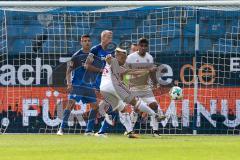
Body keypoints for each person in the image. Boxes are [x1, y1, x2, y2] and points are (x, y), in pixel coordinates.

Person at [98, 47, 165, 138]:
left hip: (104, 89)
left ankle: (129, 132)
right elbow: (110, 59)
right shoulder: (113, 60)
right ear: (117, 56)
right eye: (123, 58)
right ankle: (155, 115)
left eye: (125, 58)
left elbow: (131, 72)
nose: (124, 60)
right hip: (113, 86)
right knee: (136, 102)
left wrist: (148, 71)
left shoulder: (117, 66)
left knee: (123, 109)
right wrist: (109, 57)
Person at [57, 34, 98, 135]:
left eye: (88, 40)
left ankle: (89, 130)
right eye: (84, 41)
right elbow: (68, 70)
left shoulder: (93, 55)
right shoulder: (76, 55)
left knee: (95, 107)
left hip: (89, 85)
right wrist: (69, 83)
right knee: (70, 104)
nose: (87, 42)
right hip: (77, 85)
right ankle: (61, 129)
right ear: (81, 42)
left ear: (91, 42)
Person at [125, 38, 164, 137]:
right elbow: (125, 72)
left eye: (145, 46)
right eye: (141, 46)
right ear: (138, 46)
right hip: (134, 88)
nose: (143, 47)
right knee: (137, 109)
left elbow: (151, 73)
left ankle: (155, 131)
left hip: (146, 88)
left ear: (147, 47)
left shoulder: (149, 58)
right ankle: (129, 130)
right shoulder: (130, 58)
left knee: (155, 106)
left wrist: (155, 83)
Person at [84, 30, 117, 136]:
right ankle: (91, 131)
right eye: (108, 37)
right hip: (96, 83)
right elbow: (87, 65)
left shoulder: (112, 51)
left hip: (107, 83)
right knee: (99, 106)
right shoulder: (95, 50)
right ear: (102, 38)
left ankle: (98, 131)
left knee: (111, 106)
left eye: (111, 37)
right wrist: (100, 70)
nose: (110, 39)